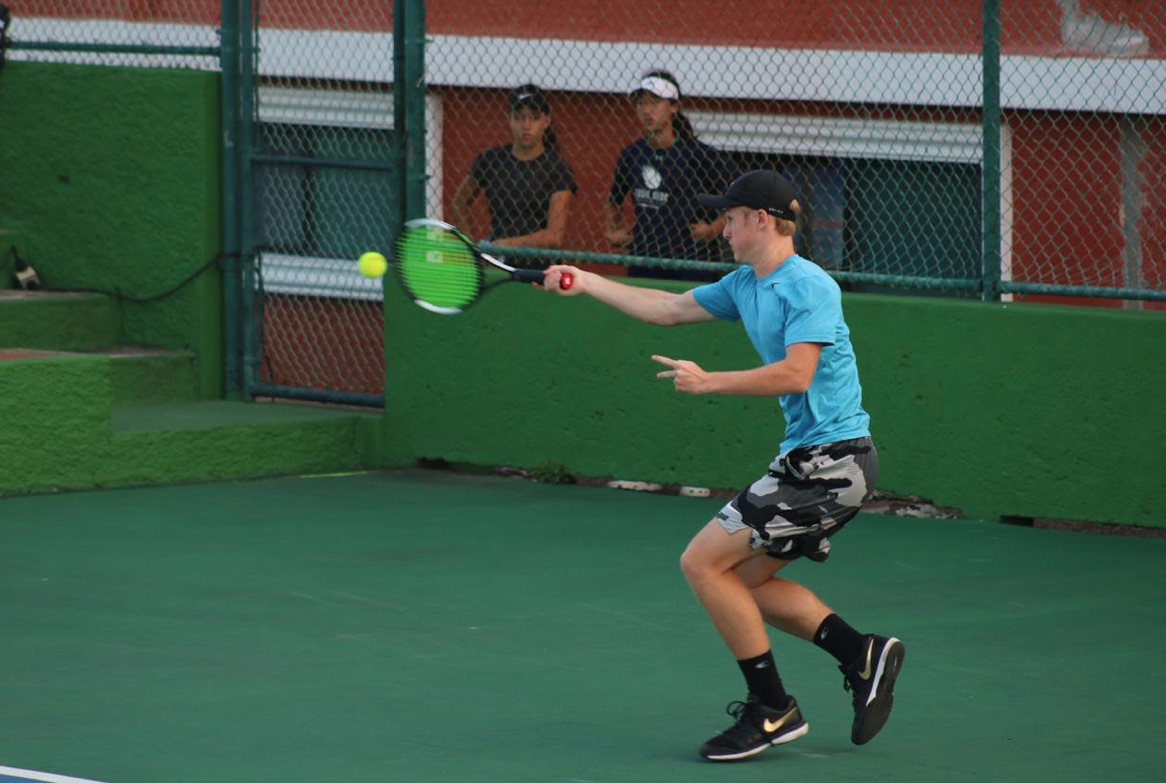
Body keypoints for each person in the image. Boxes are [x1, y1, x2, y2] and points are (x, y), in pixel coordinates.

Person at [541, 170, 904, 761]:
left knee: (702, 563)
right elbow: (667, 307)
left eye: (730, 218)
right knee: (743, 581)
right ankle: (860, 654)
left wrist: (710, 382)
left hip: (834, 463)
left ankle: (772, 710)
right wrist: (586, 282)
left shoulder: (808, 285)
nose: (723, 229)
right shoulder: (745, 284)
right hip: (806, 462)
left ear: (761, 220)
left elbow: (796, 374)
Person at [604, 69, 738, 277]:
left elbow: (737, 196)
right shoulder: (632, 154)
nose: (647, 110)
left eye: (655, 102)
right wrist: (612, 231)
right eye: (641, 103)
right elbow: (614, 199)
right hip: (644, 259)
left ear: (674, 107)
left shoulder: (698, 155)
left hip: (692, 263)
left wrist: (713, 229)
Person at [451, 84, 577, 259]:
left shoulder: (557, 169)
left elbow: (554, 235)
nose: (526, 126)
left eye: (534, 118)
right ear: (509, 119)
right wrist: (472, 249)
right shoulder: (491, 160)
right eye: (519, 118)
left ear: (546, 121)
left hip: (538, 266)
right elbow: (460, 203)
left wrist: (507, 244)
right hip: (497, 261)